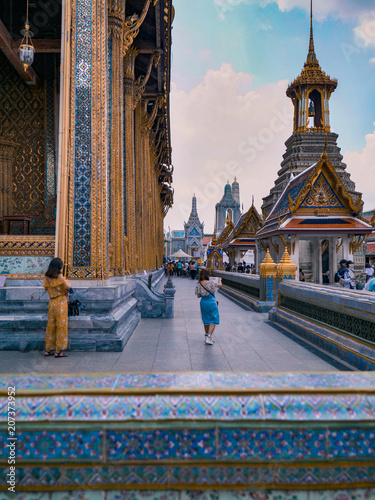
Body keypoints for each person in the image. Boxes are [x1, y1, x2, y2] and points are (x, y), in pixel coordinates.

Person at [43, 257, 71, 358]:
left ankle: (48, 349)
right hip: (61, 302)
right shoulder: (59, 277)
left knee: (51, 326)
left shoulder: (46, 277)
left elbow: (46, 288)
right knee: (61, 326)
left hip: (52, 302)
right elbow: (68, 287)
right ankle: (58, 351)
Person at [195, 270, 222, 345]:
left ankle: (206, 335)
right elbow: (219, 285)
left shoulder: (199, 284)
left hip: (203, 303)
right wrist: (220, 280)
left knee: (206, 319)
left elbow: (198, 295)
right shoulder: (211, 283)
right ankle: (209, 336)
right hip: (211, 302)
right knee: (213, 319)